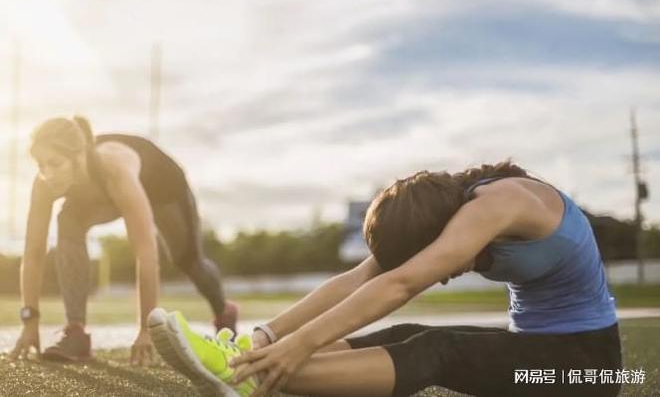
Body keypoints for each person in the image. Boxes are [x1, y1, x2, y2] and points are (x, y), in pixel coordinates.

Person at [149, 161, 622, 397]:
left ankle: (252, 380)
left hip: (586, 370)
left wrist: (302, 345)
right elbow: (358, 279)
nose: (444, 278)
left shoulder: (500, 205)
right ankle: (250, 360)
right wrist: (268, 334)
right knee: (405, 335)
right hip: (539, 351)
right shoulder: (442, 208)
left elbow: (402, 284)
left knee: (436, 350)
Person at [9, 116, 238, 365]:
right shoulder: (44, 183)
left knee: (187, 261)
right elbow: (33, 253)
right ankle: (75, 332)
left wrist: (145, 329)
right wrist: (29, 321)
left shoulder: (114, 168)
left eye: (54, 163)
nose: (47, 174)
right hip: (98, 196)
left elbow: (146, 252)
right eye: (41, 165)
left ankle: (224, 311)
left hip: (162, 188)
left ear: (79, 155)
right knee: (68, 222)